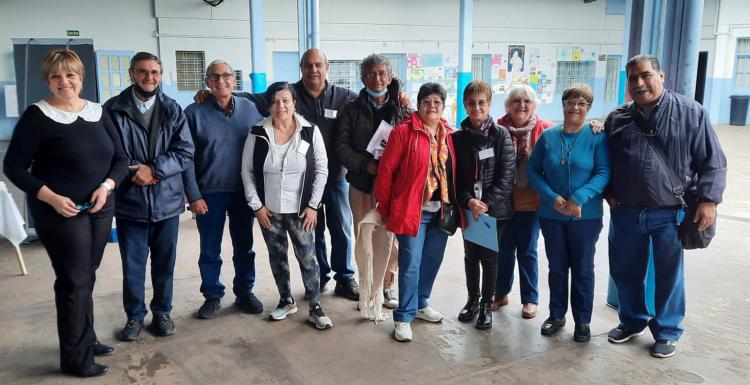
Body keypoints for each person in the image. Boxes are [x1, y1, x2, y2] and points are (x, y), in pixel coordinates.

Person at [3, 49, 128, 377]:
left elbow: (121, 159)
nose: (64, 81)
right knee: (73, 280)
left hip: (100, 207)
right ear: (48, 80)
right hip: (60, 212)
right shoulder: (38, 116)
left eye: (70, 75)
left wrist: (107, 187)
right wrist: (50, 197)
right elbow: (13, 166)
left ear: (80, 78)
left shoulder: (99, 113)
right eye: (56, 76)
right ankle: (76, 359)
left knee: (86, 275)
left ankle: (84, 339)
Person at [198, 48, 360, 300]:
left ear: (327, 67)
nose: (313, 69)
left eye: (318, 64)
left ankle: (345, 277)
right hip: (299, 183)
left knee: (341, 229)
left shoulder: (345, 97)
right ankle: (321, 278)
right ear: (301, 68)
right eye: (308, 65)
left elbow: (373, 104)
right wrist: (211, 94)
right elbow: (245, 97)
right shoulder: (288, 93)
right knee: (312, 232)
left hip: (335, 176)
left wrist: (398, 96)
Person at [605, 55, 726, 358]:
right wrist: (608, 192)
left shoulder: (691, 113)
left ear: (661, 75)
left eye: (646, 75)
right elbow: (604, 161)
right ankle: (631, 320)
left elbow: (713, 162)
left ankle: (667, 331)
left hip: (670, 212)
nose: (639, 83)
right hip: (627, 212)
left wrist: (709, 200)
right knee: (625, 271)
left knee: (669, 275)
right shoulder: (617, 118)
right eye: (633, 78)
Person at [104, 52, 194, 341]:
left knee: (164, 264)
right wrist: (135, 171)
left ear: (161, 73)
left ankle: (162, 312)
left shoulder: (173, 109)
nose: (149, 77)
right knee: (133, 266)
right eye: (142, 72)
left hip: (167, 202)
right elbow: (109, 153)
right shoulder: (113, 110)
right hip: (131, 203)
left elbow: (185, 151)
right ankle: (134, 316)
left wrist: (154, 169)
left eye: (155, 72)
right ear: (131, 74)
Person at [240, 82, 332, 330]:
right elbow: (247, 171)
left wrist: (313, 206)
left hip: (302, 210)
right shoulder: (257, 132)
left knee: (308, 258)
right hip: (270, 210)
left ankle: (315, 306)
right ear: (269, 104)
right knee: (277, 256)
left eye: (286, 100)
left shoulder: (310, 131)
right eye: (275, 101)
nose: (280, 106)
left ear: (294, 103)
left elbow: (322, 170)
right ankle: (286, 300)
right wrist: (256, 206)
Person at [375, 82, 463, 342]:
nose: (432, 106)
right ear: (419, 104)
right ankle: (403, 316)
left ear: (444, 106)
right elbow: (386, 172)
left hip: (442, 210)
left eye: (437, 102)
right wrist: (386, 206)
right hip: (412, 211)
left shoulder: (449, 134)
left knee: (431, 261)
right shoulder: (404, 132)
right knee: (410, 265)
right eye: (427, 101)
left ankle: (421, 303)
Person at [527, 83, 611, 342]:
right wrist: (552, 198)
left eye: (582, 103)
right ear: (562, 105)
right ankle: (556, 314)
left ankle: (582, 321)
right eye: (570, 102)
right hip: (552, 215)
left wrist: (578, 198)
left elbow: (603, 172)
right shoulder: (548, 136)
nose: (575, 107)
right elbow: (533, 171)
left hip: (586, 216)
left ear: (589, 108)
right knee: (557, 267)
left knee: (583, 268)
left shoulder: (597, 136)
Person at [183, 60, 264, 319]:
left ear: (234, 80)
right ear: (206, 81)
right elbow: (186, 158)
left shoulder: (250, 109)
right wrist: (193, 195)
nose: (221, 81)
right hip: (209, 194)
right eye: (214, 77)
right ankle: (212, 295)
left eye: (226, 76)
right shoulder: (193, 113)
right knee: (210, 248)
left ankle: (244, 292)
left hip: (243, 192)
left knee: (245, 246)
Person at [335, 53, 411, 311]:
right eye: (370, 74)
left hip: (393, 188)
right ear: (362, 77)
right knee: (364, 236)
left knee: (390, 238)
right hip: (362, 185)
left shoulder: (403, 109)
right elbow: (341, 146)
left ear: (389, 77)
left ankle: (386, 287)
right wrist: (365, 165)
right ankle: (367, 288)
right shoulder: (351, 109)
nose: (376, 79)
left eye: (381, 73)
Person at [453, 81, 516, 330]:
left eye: (481, 102)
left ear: (489, 104)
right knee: (470, 257)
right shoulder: (458, 138)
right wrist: (469, 200)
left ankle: (487, 305)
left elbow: (508, 173)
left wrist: (486, 203)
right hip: (470, 208)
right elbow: (456, 175)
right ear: (464, 105)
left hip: (494, 210)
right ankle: (472, 301)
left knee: (489, 259)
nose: (476, 107)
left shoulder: (501, 135)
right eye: (471, 103)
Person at [492, 85, 554, 319]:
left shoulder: (546, 130)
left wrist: (595, 126)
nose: (522, 105)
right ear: (508, 105)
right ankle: (501, 293)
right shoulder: (497, 129)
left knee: (527, 251)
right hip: (503, 203)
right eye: (516, 100)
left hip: (532, 202)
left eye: (527, 101)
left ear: (534, 105)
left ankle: (530, 299)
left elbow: (570, 138)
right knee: (503, 250)